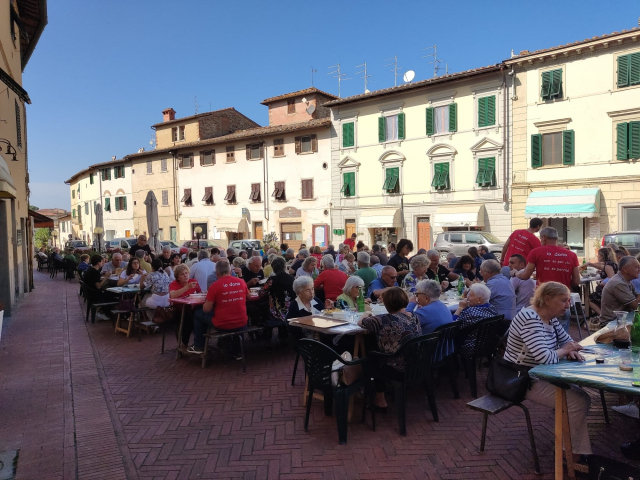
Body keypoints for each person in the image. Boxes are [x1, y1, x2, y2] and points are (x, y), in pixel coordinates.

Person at [504, 282, 592, 461]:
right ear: (546, 299)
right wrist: (566, 350)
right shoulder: (530, 318)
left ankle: (572, 449)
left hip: (538, 374)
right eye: (563, 300)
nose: (568, 304)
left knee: (578, 396)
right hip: (520, 379)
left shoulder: (549, 316)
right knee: (578, 401)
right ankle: (568, 455)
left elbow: (566, 341)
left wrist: (570, 349)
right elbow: (545, 357)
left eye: (568, 300)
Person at [358, 287, 421, 410]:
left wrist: (366, 313)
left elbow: (361, 323)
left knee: (369, 356)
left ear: (387, 303)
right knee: (374, 349)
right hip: (418, 364)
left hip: (398, 368)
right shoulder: (414, 316)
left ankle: (379, 398)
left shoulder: (383, 319)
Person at [517, 226, 580, 332]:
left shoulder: (536, 252)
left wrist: (515, 273)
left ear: (544, 238)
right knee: (562, 338)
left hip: (544, 303)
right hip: (563, 302)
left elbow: (525, 276)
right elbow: (576, 281)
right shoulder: (571, 255)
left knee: (543, 336)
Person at [192, 259, 249, 358]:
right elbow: (249, 297)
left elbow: (206, 309)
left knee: (198, 313)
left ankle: (199, 345)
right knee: (234, 317)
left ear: (217, 273)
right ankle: (238, 352)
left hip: (223, 324)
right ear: (230, 271)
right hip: (242, 322)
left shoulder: (215, 286)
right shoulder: (241, 282)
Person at [453, 283, 499, 357]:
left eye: (470, 295)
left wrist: (460, 308)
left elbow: (452, 327)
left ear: (479, 299)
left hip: (469, 347)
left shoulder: (470, 313)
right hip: (487, 345)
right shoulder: (492, 308)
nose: (467, 297)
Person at [258, 256, 295, 339]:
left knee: (263, 309)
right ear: (285, 266)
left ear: (273, 268)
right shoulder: (291, 278)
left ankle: (266, 337)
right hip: (291, 310)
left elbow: (261, 293)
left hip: (276, 311)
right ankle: (283, 338)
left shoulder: (272, 280)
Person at [169, 264, 201, 352]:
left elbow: (200, 293)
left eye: (186, 273)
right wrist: (187, 287)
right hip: (178, 310)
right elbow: (173, 295)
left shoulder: (193, 281)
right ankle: (185, 345)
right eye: (182, 274)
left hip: (193, 308)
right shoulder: (174, 284)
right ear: (178, 277)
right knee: (188, 318)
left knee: (200, 314)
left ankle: (199, 344)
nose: (185, 275)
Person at [600, 256, 640, 324]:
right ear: (625, 269)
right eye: (636, 267)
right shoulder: (619, 283)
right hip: (612, 323)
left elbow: (636, 298)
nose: (639, 269)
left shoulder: (626, 281)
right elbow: (636, 307)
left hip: (621, 319)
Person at [584, 247, 618, 315]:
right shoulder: (610, 264)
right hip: (608, 290)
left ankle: (602, 315)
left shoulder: (608, 265)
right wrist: (589, 264)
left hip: (607, 291)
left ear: (602, 256)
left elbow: (611, 279)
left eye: (598, 255)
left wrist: (602, 282)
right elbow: (600, 266)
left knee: (588, 299)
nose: (597, 256)